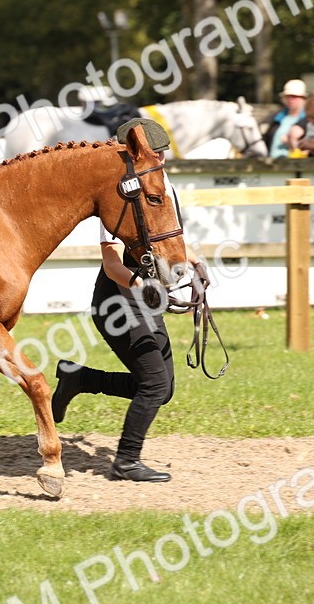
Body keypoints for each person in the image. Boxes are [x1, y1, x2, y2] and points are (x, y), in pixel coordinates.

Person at [50, 122, 205, 483]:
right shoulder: (119, 199)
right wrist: (142, 284)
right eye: (154, 153)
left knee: (162, 389)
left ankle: (79, 378)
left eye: (163, 152)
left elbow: (170, 237)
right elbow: (112, 264)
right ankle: (126, 460)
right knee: (153, 385)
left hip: (144, 299)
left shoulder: (160, 187)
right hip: (117, 301)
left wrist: (197, 262)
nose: (161, 158)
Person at [264, 79, 308, 158]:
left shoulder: (309, 120)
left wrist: (292, 142)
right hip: (272, 164)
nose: (291, 100)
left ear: (303, 99)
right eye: (288, 97)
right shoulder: (276, 118)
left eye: (294, 97)